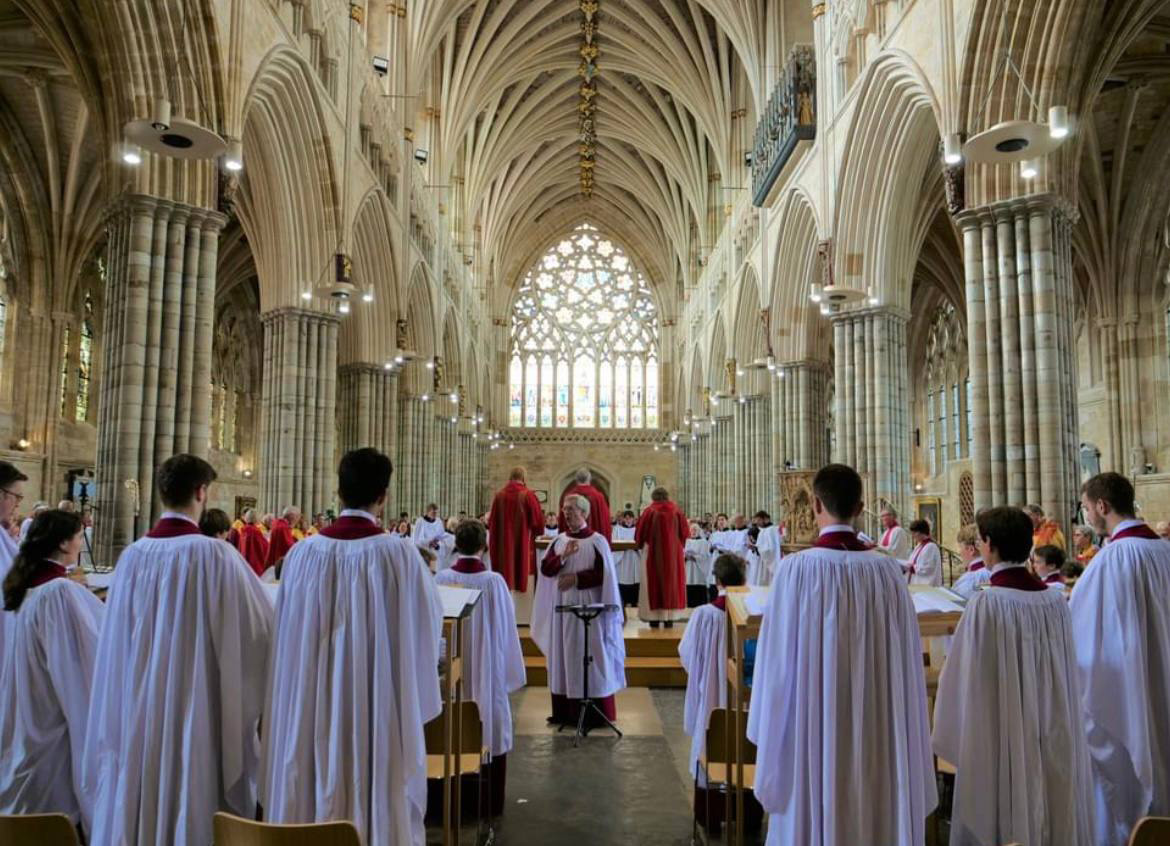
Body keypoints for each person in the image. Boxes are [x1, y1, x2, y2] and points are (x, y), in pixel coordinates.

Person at [82, 454, 274, 846]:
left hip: (139, 706)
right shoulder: (216, 555)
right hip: (198, 706)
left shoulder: (131, 557)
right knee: (194, 787)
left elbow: (116, 642)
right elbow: (261, 630)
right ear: (202, 493)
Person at [262, 448, 443, 846]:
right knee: (374, 782)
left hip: (309, 705)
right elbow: (426, 634)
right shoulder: (400, 556)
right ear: (383, 497)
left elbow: (284, 635)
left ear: (338, 492)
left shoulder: (302, 554)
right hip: (377, 708)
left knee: (309, 779)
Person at [748, 463, 936, 845]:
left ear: (815, 505)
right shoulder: (887, 573)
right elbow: (905, 658)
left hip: (812, 722)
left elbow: (776, 662)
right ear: (861, 507)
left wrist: (769, 725)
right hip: (878, 723)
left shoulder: (795, 570)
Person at [933, 506, 1094, 846]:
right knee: (1052, 802)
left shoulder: (986, 605)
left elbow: (963, 681)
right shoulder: (1054, 602)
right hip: (1052, 730)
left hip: (1003, 735)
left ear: (988, 544)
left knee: (1004, 809)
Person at [1072, 472, 1170, 844]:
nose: (1086, 517)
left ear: (1102, 506)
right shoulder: (1165, 551)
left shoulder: (1109, 561)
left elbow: (1084, 641)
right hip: (1163, 681)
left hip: (1129, 693)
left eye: (1086, 508)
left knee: (1129, 776)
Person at [0, 509, 103, 831]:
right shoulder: (60, 593)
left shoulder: (25, 588)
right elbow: (89, 658)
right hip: (54, 725)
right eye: (77, 536)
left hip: (30, 716)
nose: (79, 544)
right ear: (63, 542)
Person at [434, 519, 525, 814]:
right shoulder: (494, 582)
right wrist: (507, 668)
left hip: (450, 667)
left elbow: (434, 628)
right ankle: (486, 803)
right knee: (487, 717)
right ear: (485, 546)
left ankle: (447, 802)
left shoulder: (441, 579)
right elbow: (507, 630)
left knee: (450, 718)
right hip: (487, 666)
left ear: (456, 545)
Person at [679, 553, 761, 832]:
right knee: (748, 747)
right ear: (745, 579)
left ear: (716, 581)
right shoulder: (756, 613)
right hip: (748, 700)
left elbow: (687, 655)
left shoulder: (704, 615)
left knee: (710, 745)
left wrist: (706, 676)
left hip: (712, 699)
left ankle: (711, 818)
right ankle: (749, 817)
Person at [533, 494, 626, 728]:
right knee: (563, 654)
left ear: (584, 513)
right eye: (564, 509)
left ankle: (594, 711)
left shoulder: (597, 541)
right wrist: (563, 556)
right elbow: (546, 569)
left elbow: (604, 576)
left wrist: (576, 578)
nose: (566, 513)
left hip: (590, 608)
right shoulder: (559, 541)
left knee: (590, 655)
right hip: (562, 608)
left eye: (571, 510)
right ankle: (566, 711)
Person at [635, 487, 688, 629]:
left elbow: (640, 534)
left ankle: (653, 619)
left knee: (652, 582)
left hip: (652, 552)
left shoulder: (649, 511)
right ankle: (669, 619)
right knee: (672, 584)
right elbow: (685, 533)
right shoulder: (676, 511)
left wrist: (641, 544)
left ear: (653, 497)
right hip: (673, 554)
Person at [487, 467, 544, 592]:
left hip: (502, 547)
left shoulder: (499, 496)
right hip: (522, 545)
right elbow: (538, 522)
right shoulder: (528, 495)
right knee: (522, 569)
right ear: (523, 478)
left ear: (510, 477)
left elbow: (491, 522)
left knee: (504, 574)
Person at [556, 468, 612, 542]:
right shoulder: (599, 497)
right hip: (594, 542)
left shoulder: (568, 497)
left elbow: (563, 521)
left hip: (572, 542)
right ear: (589, 479)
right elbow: (605, 522)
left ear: (576, 480)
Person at [951, 523, 990, 599]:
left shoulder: (972, 578)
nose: (959, 552)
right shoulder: (992, 572)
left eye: (960, 547)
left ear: (971, 550)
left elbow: (959, 599)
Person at [612, 510, 640, 608]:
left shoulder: (637, 530)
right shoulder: (617, 529)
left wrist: (637, 548)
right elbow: (614, 543)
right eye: (626, 518)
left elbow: (641, 543)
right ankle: (623, 600)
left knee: (635, 579)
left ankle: (634, 601)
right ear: (623, 519)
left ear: (633, 519)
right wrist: (623, 547)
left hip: (634, 557)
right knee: (622, 579)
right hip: (622, 557)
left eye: (630, 518)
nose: (628, 520)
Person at [905, 518, 942, 585]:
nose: (913, 536)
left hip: (925, 585)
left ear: (921, 532)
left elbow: (927, 568)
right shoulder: (920, 545)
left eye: (914, 533)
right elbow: (912, 561)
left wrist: (912, 568)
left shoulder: (931, 547)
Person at [684, 521, 713, 607]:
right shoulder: (686, 541)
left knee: (699, 594)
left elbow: (706, 557)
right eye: (692, 530)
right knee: (689, 590)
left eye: (695, 530)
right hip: (688, 570)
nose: (693, 532)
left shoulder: (703, 542)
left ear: (699, 531)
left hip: (699, 573)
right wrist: (685, 557)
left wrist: (695, 558)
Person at [749, 510, 781, 587]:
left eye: (759, 520)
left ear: (766, 519)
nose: (757, 522)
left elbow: (767, 548)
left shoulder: (771, 530)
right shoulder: (760, 530)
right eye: (756, 520)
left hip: (766, 561)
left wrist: (756, 547)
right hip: (760, 560)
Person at [264, 506, 299, 575]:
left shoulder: (278, 523)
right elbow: (288, 547)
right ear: (291, 516)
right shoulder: (283, 527)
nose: (297, 520)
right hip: (280, 563)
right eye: (297, 517)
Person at [237, 508, 269, 576]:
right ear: (256, 518)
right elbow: (265, 547)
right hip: (254, 565)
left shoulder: (243, 530)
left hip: (245, 562)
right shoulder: (255, 531)